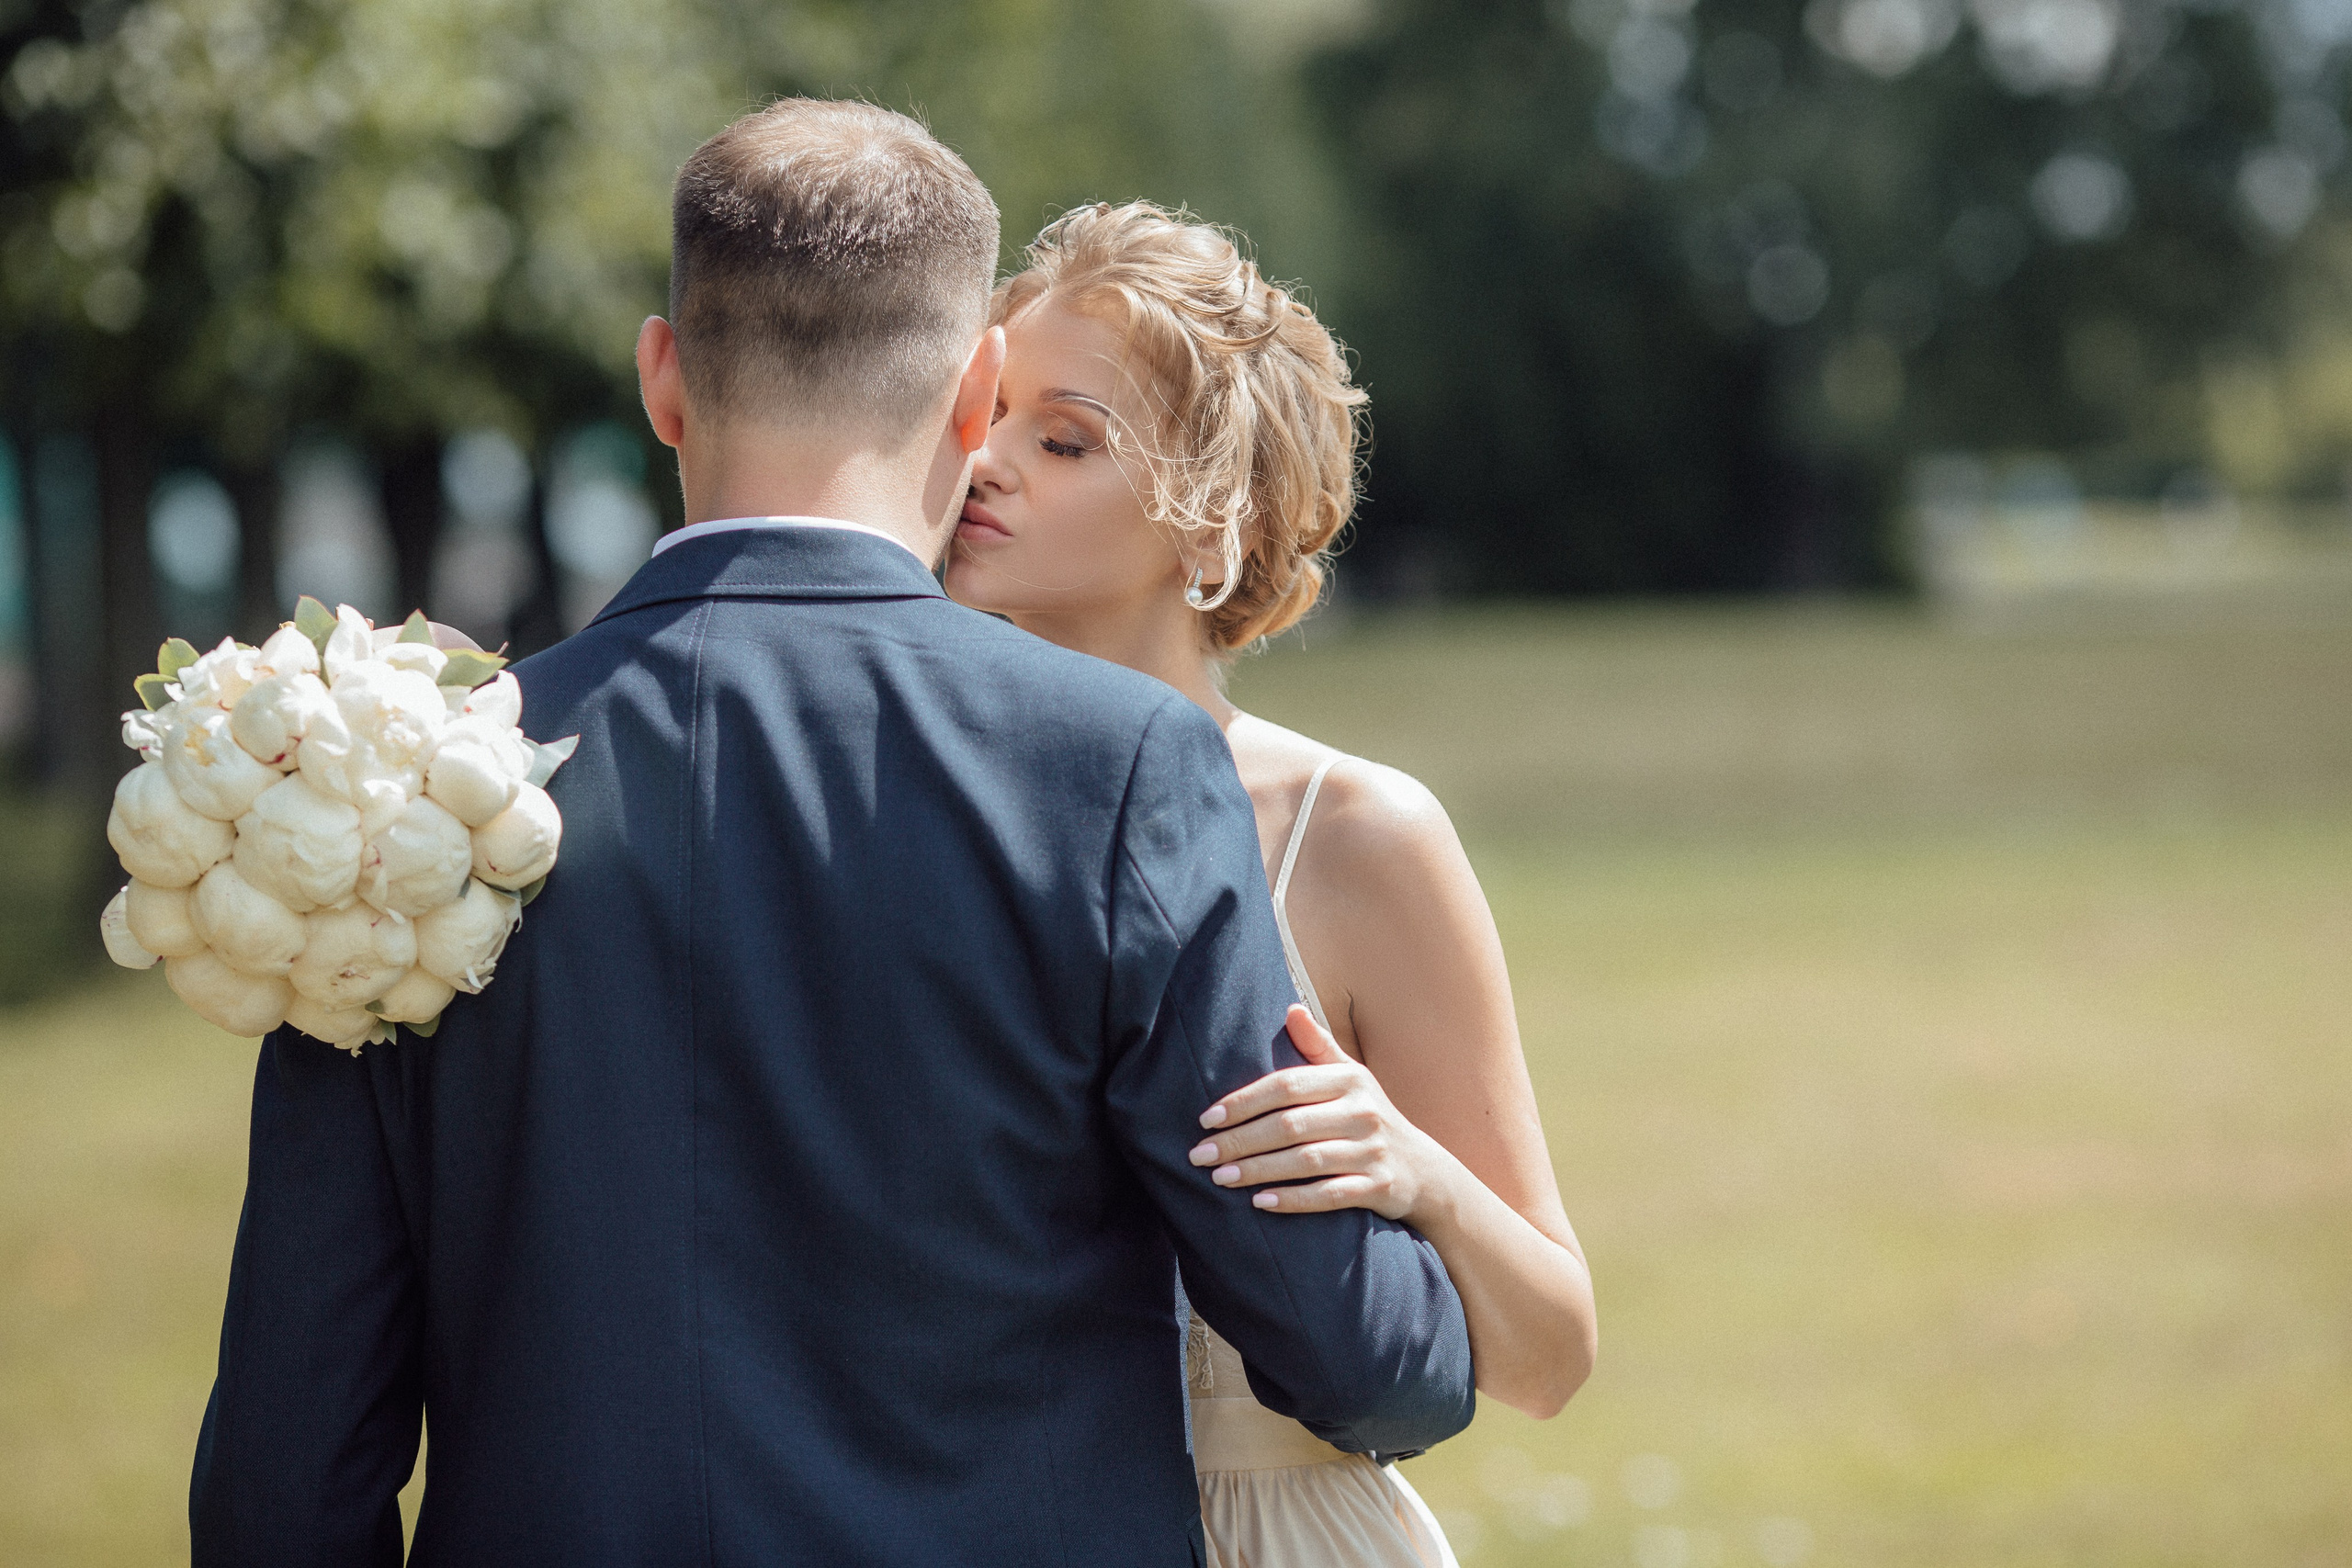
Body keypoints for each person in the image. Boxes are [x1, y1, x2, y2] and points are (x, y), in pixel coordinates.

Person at [187, 102, 1475, 1567]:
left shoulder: (387, 797)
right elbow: (1367, 1366)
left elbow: (283, 1483)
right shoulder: (1119, 770)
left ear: (664, 381)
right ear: (978, 390)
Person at [946, 202, 1598, 1568]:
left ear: (1215, 526)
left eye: (1060, 439)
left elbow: (1550, 1356)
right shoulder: (918, 805)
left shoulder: (1362, 835)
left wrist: (1414, 1171)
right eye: (979, 415)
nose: (983, 465)